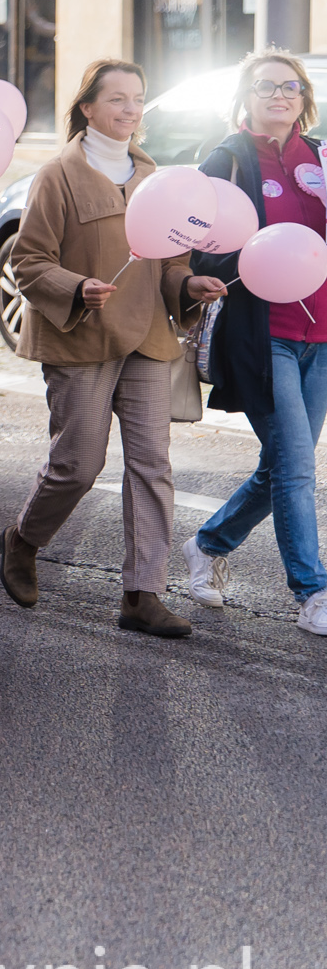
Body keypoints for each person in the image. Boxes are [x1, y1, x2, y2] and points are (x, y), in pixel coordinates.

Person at [1, 60, 221, 636]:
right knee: (78, 464)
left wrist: (189, 284)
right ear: (88, 107)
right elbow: (27, 262)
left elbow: (169, 261)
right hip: (83, 337)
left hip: (147, 337)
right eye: (117, 99)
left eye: (138, 99)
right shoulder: (58, 175)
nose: (129, 109)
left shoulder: (153, 173)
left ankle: (142, 594)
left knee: (153, 466)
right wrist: (76, 287)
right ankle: (22, 539)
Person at [185, 50, 327, 637]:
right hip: (263, 333)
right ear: (246, 97)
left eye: (290, 86)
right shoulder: (228, 158)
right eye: (265, 86)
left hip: (322, 334)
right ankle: (313, 592)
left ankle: (209, 542)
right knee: (296, 466)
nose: (279, 95)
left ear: (304, 98)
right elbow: (199, 244)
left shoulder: (319, 155)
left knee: (282, 465)